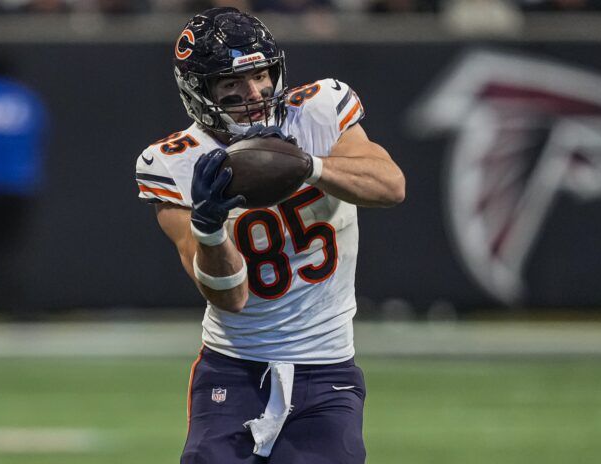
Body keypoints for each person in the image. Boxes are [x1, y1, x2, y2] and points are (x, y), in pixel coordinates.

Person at [135, 7, 405, 463]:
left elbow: (390, 186)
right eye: (232, 84)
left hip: (326, 366)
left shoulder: (318, 110)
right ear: (200, 93)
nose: (255, 92)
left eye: (261, 74)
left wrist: (309, 166)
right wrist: (208, 225)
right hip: (233, 368)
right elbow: (230, 297)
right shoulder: (173, 162)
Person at [0, 55, 47, 319]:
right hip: (16, 185)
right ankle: (16, 307)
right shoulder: (24, 99)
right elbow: (37, 138)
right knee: (12, 249)